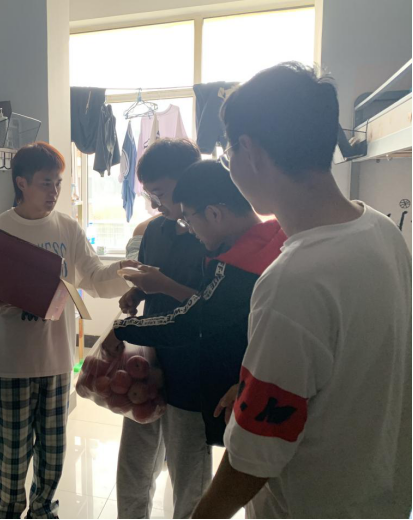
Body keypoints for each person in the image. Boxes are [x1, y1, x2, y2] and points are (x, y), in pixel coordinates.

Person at [190, 62, 412, 519]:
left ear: (249, 150)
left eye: (229, 152)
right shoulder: (382, 231)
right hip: (382, 498)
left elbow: (253, 457)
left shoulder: (293, 280)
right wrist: (256, 389)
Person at [0, 142, 129, 519]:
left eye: (58, 183)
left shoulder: (67, 228)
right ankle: (9, 513)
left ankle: (44, 512)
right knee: (11, 462)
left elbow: (96, 279)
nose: (54, 191)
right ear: (21, 183)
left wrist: (126, 270)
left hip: (57, 365)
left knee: (52, 459)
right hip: (11, 367)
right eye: (46, 183)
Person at [102, 160, 286, 449]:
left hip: (257, 394)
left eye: (188, 219)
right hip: (263, 384)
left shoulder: (239, 265)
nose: (189, 229)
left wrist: (122, 329)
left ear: (213, 213)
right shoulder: (278, 237)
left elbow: (189, 321)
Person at [115, 138, 211, 519]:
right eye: (150, 195)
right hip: (147, 362)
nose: (156, 204)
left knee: (189, 474)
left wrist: (163, 285)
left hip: (191, 367)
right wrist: (137, 292)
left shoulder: (213, 233)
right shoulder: (155, 231)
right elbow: (151, 277)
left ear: (189, 180)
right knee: (134, 467)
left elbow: (213, 306)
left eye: (161, 193)